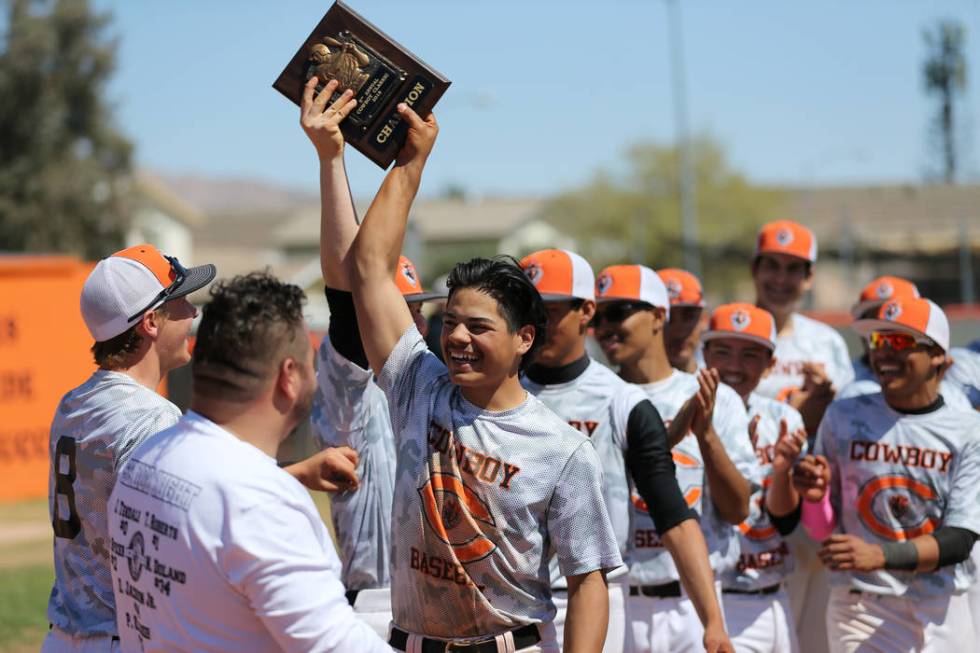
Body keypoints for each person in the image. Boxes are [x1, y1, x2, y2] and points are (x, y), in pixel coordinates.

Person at [348, 101, 621, 652]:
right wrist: (410, 164)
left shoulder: (563, 450)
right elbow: (368, 270)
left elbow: (587, 578)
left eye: (478, 326)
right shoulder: (416, 385)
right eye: (449, 322)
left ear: (524, 338)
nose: (456, 338)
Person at [44, 243, 362, 653]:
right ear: (150, 322)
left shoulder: (73, 403)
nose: (193, 314)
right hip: (118, 637)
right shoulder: (150, 417)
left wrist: (298, 472)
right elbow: (186, 515)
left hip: (62, 636)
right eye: (181, 302)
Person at [107, 272, 389, 652]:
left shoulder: (143, 461)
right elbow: (335, 645)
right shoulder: (261, 502)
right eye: (309, 362)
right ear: (289, 376)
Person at [519, 248, 733, 653]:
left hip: (592, 598)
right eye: (525, 308)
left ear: (585, 311)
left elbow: (674, 516)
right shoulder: (497, 392)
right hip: (510, 601)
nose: (536, 322)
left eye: (549, 310)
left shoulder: (622, 402)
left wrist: (713, 621)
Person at [300, 77, 445, 636]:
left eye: (415, 309)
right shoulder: (353, 391)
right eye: (393, 307)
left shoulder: (441, 390)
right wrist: (331, 159)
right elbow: (346, 292)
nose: (405, 320)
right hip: (373, 612)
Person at [592, 263, 757, 653]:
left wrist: (707, 436)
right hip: (618, 599)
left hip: (694, 603)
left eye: (618, 312)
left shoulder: (713, 396)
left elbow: (737, 510)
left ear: (658, 316)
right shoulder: (595, 396)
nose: (606, 327)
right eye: (598, 317)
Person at [809, 297, 980, 652]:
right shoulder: (843, 416)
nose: (884, 352)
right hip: (862, 604)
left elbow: (961, 538)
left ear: (938, 358)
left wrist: (881, 554)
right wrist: (813, 497)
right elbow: (820, 528)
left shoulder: (968, 430)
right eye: (878, 341)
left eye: (900, 342)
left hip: (944, 603)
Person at [701, 303, 808, 653]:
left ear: (770, 364)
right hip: (718, 596)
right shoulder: (685, 414)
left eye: (749, 354)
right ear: (705, 354)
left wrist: (781, 473)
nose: (734, 365)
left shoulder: (783, 419)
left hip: (774, 593)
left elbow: (785, 520)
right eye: (722, 352)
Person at [749, 220, 853, 435]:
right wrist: (794, 414)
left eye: (793, 269)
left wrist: (828, 398)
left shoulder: (827, 341)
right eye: (772, 265)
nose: (780, 278)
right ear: (754, 269)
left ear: (809, 278)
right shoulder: (728, 335)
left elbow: (850, 416)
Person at [839, 275, 970, 410]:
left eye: (900, 339)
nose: (885, 323)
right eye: (873, 321)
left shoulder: (955, 391)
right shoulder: (846, 383)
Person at [658, 268, 708, 373]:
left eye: (688, 316)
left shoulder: (719, 385)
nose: (678, 331)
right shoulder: (622, 387)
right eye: (667, 318)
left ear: (704, 319)